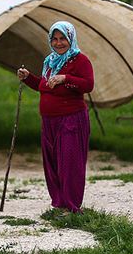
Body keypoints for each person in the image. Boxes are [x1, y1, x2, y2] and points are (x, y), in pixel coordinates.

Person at [17, 21, 94, 214]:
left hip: (71, 119)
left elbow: (88, 85)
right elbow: (43, 86)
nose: (59, 43)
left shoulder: (80, 60)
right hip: (49, 121)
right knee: (52, 164)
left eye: (63, 39)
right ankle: (59, 203)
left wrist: (65, 78)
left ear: (71, 39)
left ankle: (72, 206)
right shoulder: (49, 62)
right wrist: (28, 78)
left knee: (69, 163)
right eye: (55, 39)